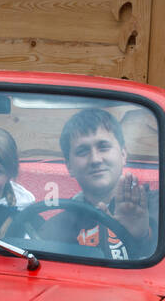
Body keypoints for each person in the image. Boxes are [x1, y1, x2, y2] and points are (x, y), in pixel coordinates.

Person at [45, 108, 158, 260]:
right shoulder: (57, 227)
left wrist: (144, 236)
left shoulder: (161, 207)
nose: (95, 159)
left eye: (103, 147)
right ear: (69, 166)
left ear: (123, 154)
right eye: (82, 151)